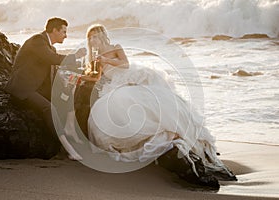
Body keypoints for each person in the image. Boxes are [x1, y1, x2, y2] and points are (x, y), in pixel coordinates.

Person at [74, 24, 236, 188]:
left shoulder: (115, 47)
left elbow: (125, 64)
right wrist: (80, 78)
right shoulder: (93, 56)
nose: (92, 40)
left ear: (101, 36)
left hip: (126, 77)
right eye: (89, 38)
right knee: (107, 109)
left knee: (140, 98)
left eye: (94, 36)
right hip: (112, 84)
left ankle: (169, 132)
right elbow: (97, 77)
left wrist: (106, 59)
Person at [5, 17, 85, 160]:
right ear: (54, 30)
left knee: (65, 98)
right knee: (49, 108)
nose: (66, 36)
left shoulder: (49, 47)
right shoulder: (37, 41)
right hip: (22, 89)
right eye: (64, 32)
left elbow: (55, 67)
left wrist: (80, 71)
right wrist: (76, 56)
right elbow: (52, 58)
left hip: (36, 87)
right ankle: (68, 148)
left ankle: (70, 129)